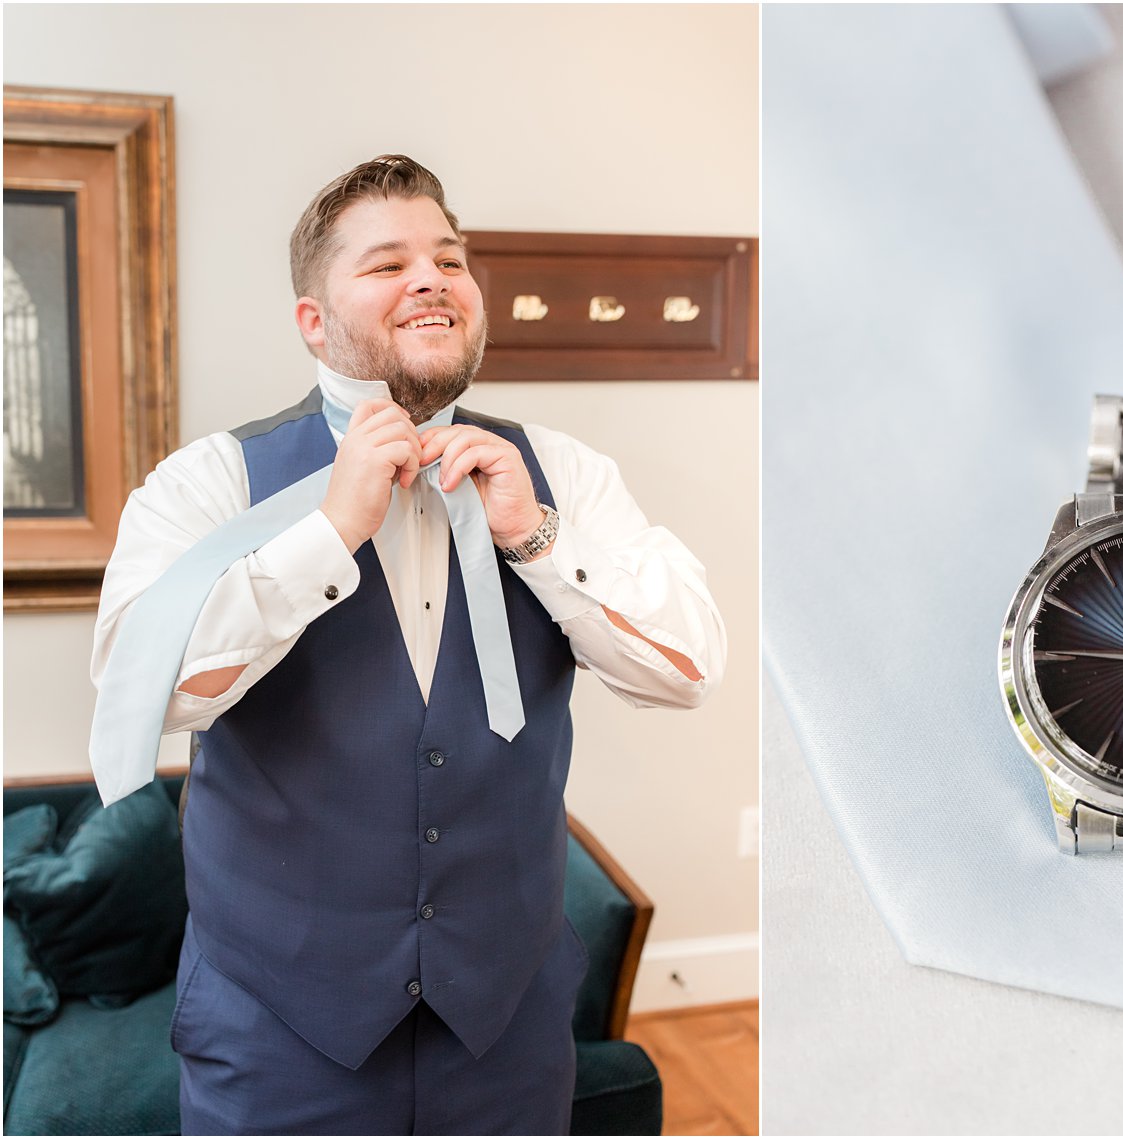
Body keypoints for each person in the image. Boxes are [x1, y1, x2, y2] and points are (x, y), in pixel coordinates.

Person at [90, 154, 726, 1135]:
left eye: (449, 258)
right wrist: (323, 536)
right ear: (313, 320)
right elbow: (145, 694)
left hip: (504, 1030)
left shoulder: (564, 474)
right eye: (386, 263)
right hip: (276, 1035)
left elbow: (688, 670)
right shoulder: (206, 483)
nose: (430, 276)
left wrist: (537, 539)